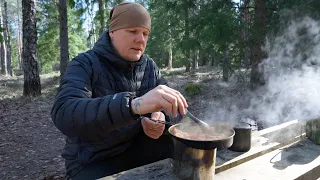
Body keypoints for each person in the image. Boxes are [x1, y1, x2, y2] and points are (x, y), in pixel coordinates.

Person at [51, 2, 188, 180]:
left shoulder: (149, 67)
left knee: (183, 152)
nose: (141, 40)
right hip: (93, 159)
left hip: (135, 147)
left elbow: (170, 109)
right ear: (112, 32)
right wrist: (132, 106)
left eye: (145, 33)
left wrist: (160, 117)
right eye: (132, 31)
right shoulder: (84, 64)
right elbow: (64, 112)